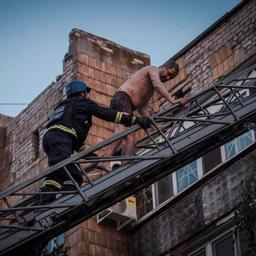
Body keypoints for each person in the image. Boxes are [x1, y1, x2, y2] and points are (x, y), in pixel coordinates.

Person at [41, 80, 151, 203]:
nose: (89, 95)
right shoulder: (82, 102)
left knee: (62, 172)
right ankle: (58, 200)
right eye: (87, 92)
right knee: (70, 173)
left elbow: (78, 145)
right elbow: (106, 114)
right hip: (60, 138)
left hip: (52, 139)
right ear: (83, 93)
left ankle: (58, 196)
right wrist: (135, 119)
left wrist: (95, 157)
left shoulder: (64, 106)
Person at [102, 61, 188, 170]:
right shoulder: (152, 69)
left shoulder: (150, 89)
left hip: (128, 105)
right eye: (169, 73)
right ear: (165, 68)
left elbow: (142, 108)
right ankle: (105, 160)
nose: (168, 78)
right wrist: (173, 100)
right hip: (122, 98)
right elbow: (158, 84)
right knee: (122, 130)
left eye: (170, 78)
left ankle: (126, 168)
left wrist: (154, 126)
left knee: (131, 139)